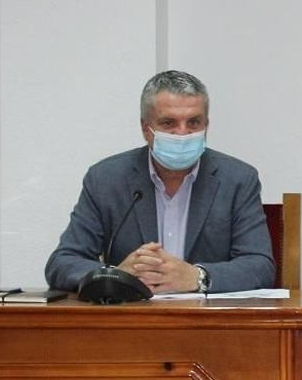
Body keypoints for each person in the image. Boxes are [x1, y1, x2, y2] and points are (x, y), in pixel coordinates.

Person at [45, 70, 276, 295]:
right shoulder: (105, 179)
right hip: (132, 323)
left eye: (194, 122)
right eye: (168, 123)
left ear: (207, 125)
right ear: (146, 128)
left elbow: (260, 265)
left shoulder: (237, 179)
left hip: (209, 325)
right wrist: (114, 275)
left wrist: (196, 276)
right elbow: (62, 263)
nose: (182, 133)